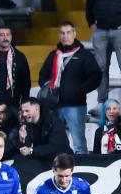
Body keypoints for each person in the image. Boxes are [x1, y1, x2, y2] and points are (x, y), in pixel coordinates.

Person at [38, 22, 102, 155]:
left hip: (75, 105)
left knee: (79, 144)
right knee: (55, 142)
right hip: (53, 105)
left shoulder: (84, 55)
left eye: (68, 32)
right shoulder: (53, 55)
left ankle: (82, 170)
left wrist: (80, 90)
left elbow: (96, 76)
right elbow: (43, 74)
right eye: (62, 33)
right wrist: (47, 88)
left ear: (74, 34)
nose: (65, 36)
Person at [86, 0, 121, 112]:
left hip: (119, 30)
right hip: (100, 30)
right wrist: (90, 22)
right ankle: (102, 103)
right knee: (100, 68)